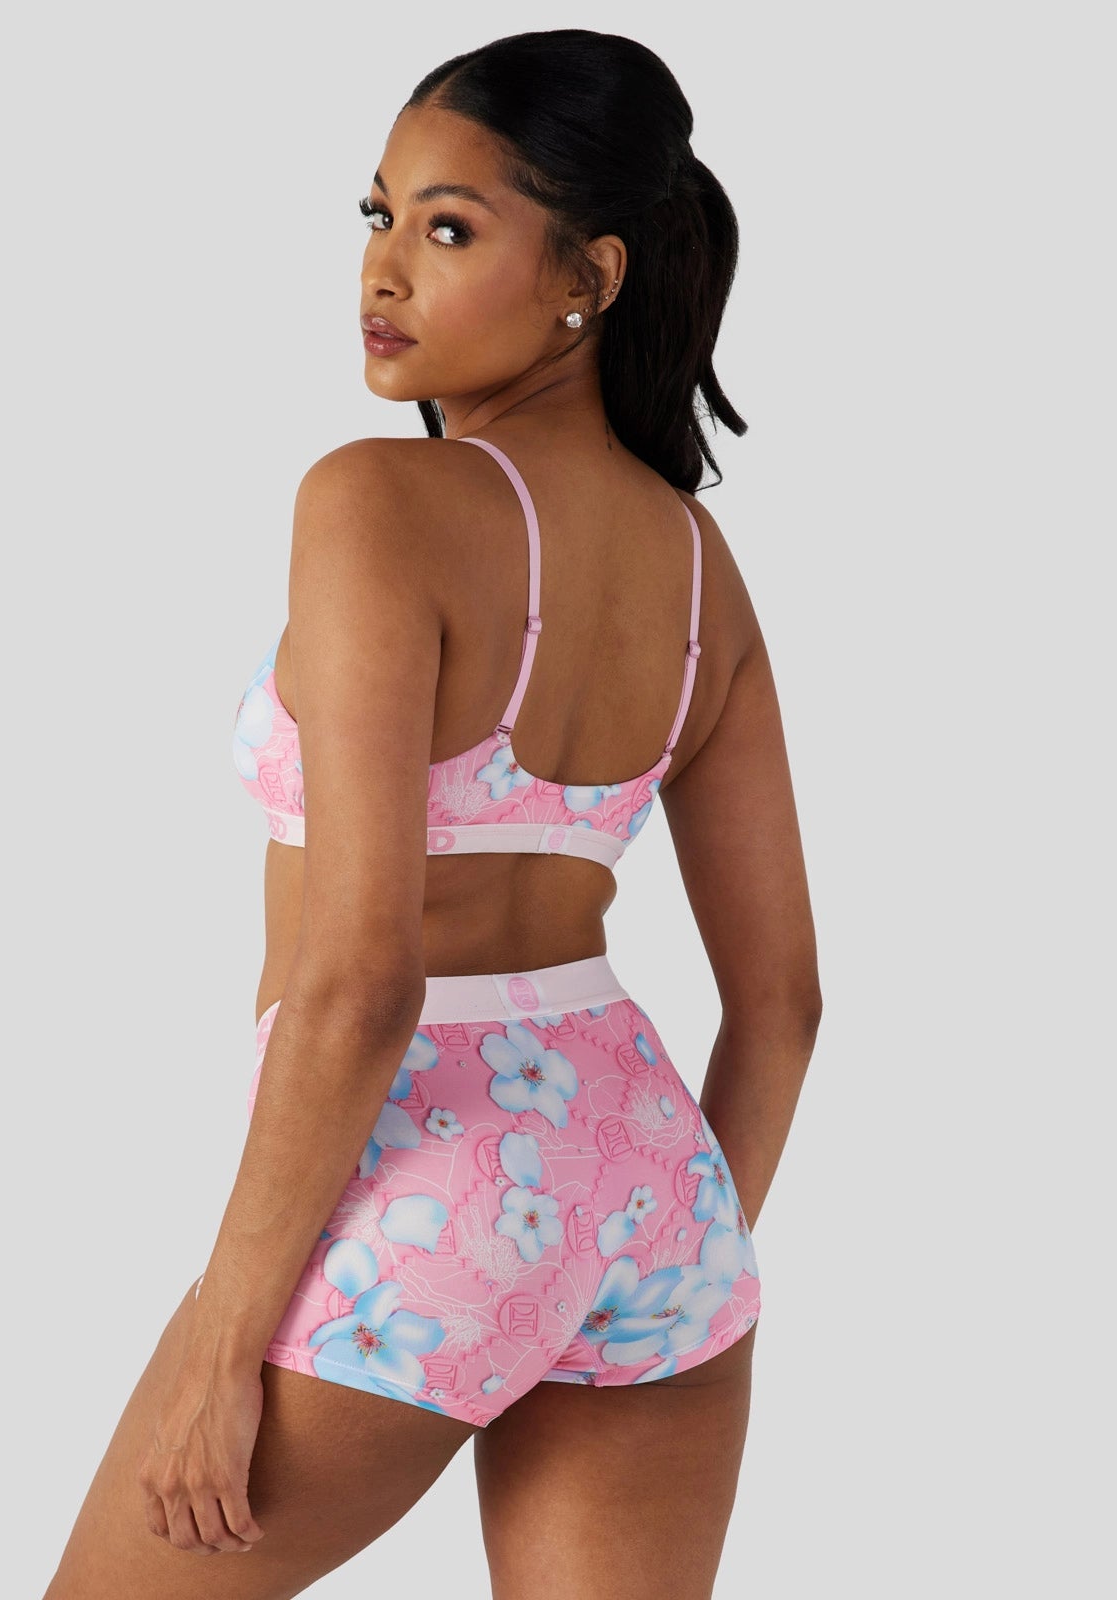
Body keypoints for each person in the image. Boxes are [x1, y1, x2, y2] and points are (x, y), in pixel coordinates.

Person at [44, 27, 821, 1600]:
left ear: (589, 275)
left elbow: (361, 983)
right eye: (378, 216)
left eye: (451, 227)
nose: (384, 268)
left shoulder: (375, 503)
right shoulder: (700, 569)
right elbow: (787, 1003)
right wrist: (661, 1252)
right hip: (654, 1185)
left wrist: (222, 1340)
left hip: (425, 1173)